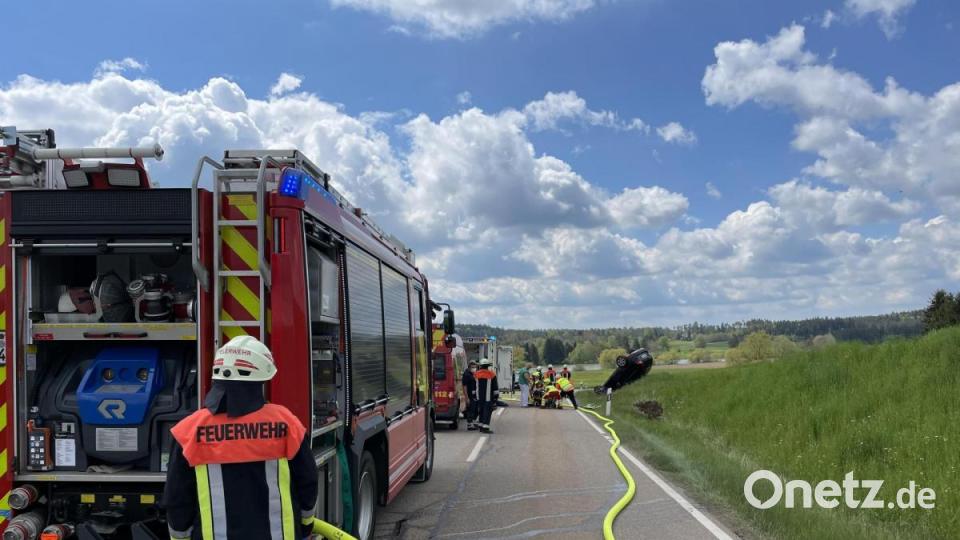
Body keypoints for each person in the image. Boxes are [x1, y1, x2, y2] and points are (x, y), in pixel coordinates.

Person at [163, 336, 328, 540]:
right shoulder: (286, 423)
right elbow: (308, 482)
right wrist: (306, 525)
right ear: (261, 378)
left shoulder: (189, 431)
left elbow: (177, 498)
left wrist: (180, 537)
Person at [474, 358, 499, 433]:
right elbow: (495, 388)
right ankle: (485, 427)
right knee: (487, 412)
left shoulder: (476, 374)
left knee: (481, 411)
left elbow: (473, 386)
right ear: (488, 366)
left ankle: (481, 426)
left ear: (481, 366)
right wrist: (495, 399)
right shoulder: (492, 374)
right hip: (488, 398)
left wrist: (474, 396)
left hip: (478, 397)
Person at [462, 360, 479, 430]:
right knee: (470, 409)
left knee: (475, 409)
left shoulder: (474, 374)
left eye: (475, 367)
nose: (474, 368)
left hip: (475, 394)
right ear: (469, 367)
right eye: (472, 367)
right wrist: (467, 397)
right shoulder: (466, 374)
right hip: (469, 395)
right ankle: (470, 424)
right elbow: (464, 386)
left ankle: (473, 423)